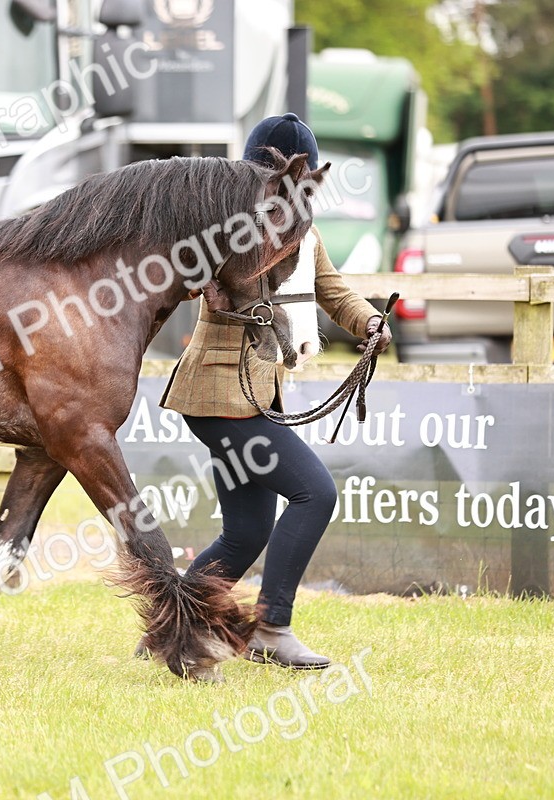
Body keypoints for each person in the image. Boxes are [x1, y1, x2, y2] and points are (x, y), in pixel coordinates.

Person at [159, 113, 392, 672]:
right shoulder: (228, 225)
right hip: (220, 397)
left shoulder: (304, 234)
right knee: (316, 493)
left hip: (243, 400)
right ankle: (272, 627)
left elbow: (334, 293)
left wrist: (368, 324)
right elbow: (183, 272)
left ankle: (176, 627)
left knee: (246, 531)